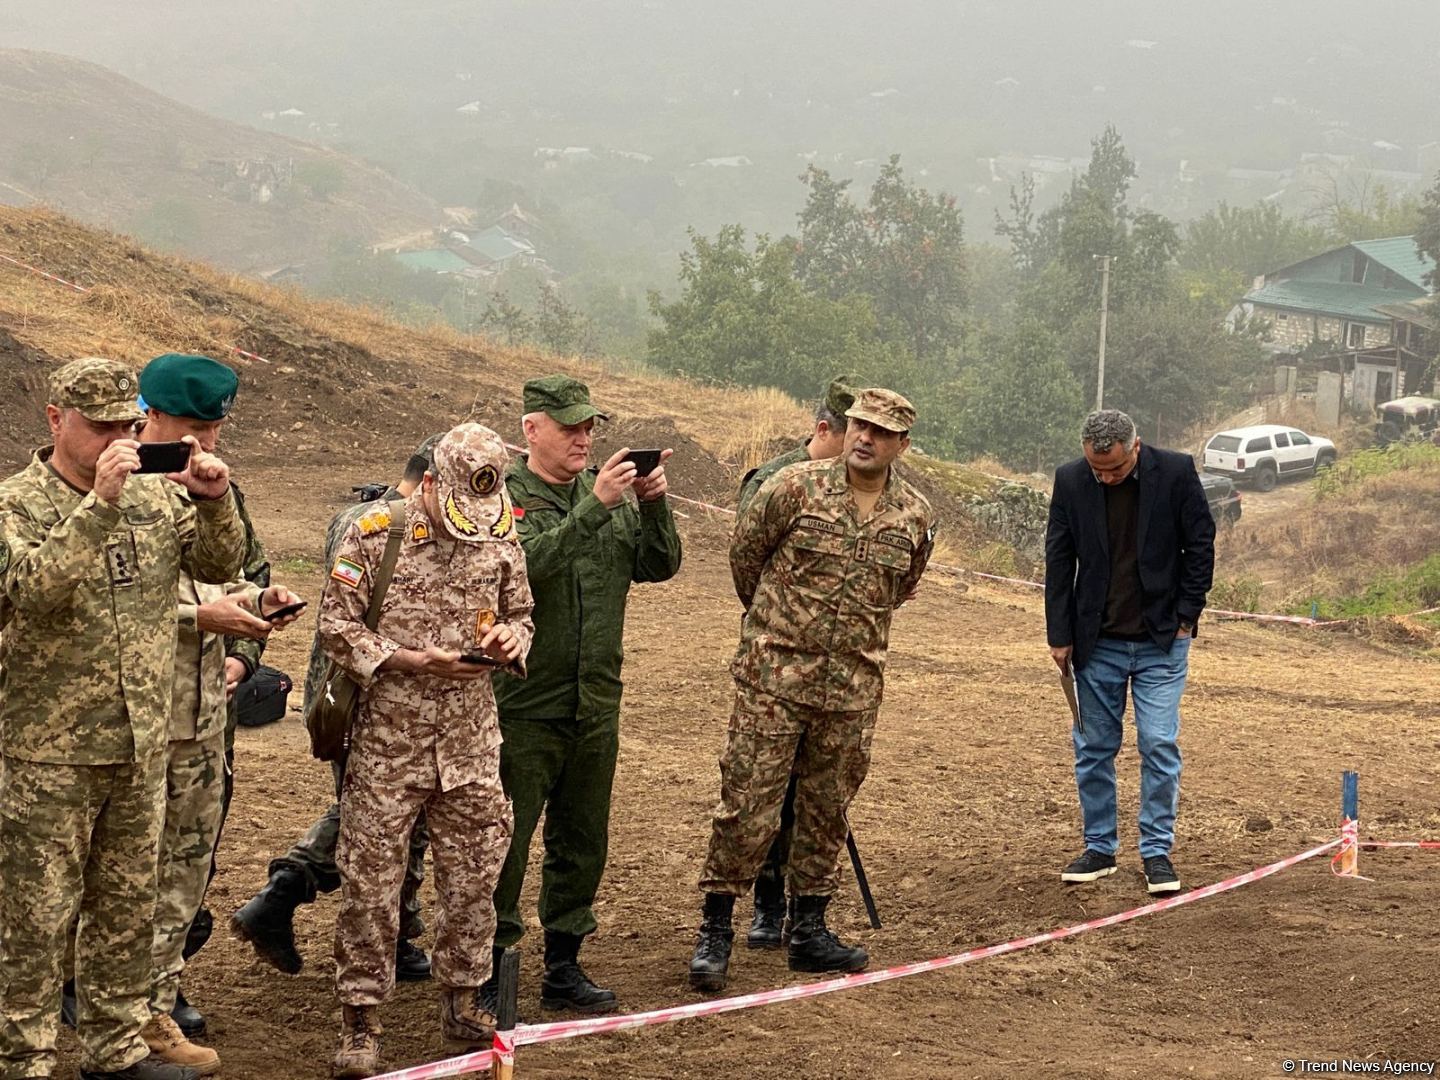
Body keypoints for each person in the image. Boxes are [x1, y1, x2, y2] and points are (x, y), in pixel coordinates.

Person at [0, 357, 245, 1080]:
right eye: (99, 425)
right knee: (36, 922)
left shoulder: (152, 496)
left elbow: (218, 560)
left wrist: (213, 498)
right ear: (55, 419)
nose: (117, 440)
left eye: (126, 425)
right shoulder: (16, 504)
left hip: (140, 745)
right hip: (49, 755)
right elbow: (29, 593)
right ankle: (26, 1061)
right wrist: (99, 503)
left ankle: (114, 1053)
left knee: (124, 912)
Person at [689, 388, 935, 993]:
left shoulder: (914, 514)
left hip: (851, 691)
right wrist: (777, 631)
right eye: (858, 425)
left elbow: (901, 587)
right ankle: (716, 929)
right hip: (773, 680)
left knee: (826, 811)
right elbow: (746, 560)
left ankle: (809, 930)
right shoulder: (792, 488)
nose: (865, 438)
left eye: (880, 431)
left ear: (901, 443)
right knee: (748, 805)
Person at [322, 424, 533, 1079]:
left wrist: (511, 642)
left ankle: (464, 1003)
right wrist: (409, 659)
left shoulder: (500, 531)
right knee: (372, 891)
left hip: (471, 745)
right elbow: (335, 627)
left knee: (474, 883)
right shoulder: (374, 532)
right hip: (390, 746)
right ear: (434, 482)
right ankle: (360, 1022)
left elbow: (522, 615)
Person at [482, 375, 682, 1015]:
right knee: (504, 844)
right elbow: (521, 567)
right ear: (530, 429)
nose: (583, 437)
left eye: (589, 427)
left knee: (582, 841)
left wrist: (652, 503)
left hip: (595, 702)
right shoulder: (500, 497)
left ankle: (565, 966)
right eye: (569, 426)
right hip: (524, 704)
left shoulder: (615, 497)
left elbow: (659, 565)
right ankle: (492, 969)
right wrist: (594, 505)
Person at [132, 353, 304, 1074]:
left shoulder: (214, 487)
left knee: (185, 864)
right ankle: (95, 992)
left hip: (205, 712)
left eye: (215, 428)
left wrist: (249, 644)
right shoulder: (112, 486)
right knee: (111, 867)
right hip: (128, 714)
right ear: (150, 416)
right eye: (192, 429)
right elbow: (111, 598)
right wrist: (201, 618)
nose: (206, 444)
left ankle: (157, 994)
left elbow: (242, 572)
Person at [230, 437, 445, 982]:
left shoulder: (360, 515)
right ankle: (283, 898)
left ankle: (383, 926)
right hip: (369, 699)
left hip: (342, 694)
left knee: (381, 812)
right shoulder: (384, 526)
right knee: (379, 815)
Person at [1044, 409, 1215, 895]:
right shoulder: (1070, 481)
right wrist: (1059, 634)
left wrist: (1186, 615)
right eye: (1097, 469)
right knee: (1093, 749)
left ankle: (1156, 852)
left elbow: (1200, 545)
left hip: (1163, 641)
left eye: (1114, 469)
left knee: (1159, 744)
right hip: (1096, 644)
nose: (1105, 477)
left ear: (1135, 447)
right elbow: (1059, 559)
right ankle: (1099, 847)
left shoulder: (1177, 472)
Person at [733, 374, 859, 950]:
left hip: (838, 673)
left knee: (815, 791)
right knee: (764, 789)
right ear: (824, 429)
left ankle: (800, 905)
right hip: (777, 662)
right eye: (851, 432)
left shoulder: (869, 487)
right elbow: (749, 566)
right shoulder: (776, 481)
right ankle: (763, 901)